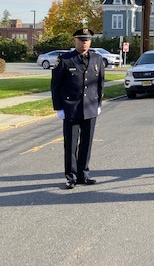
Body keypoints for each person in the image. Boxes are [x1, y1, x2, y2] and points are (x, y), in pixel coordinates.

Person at [51, 28, 105, 189]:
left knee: (87, 143)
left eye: (87, 39)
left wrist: (99, 104)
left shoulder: (97, 58)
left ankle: (83, 174)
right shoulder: (65, 60)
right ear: (75, 41)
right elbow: (55, 86)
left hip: (90, 107)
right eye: (81, 39)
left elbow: (100, 83)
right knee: (71, 144)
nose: (84, 42)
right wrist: (58, 108)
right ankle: (71, 176)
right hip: (71, 108)